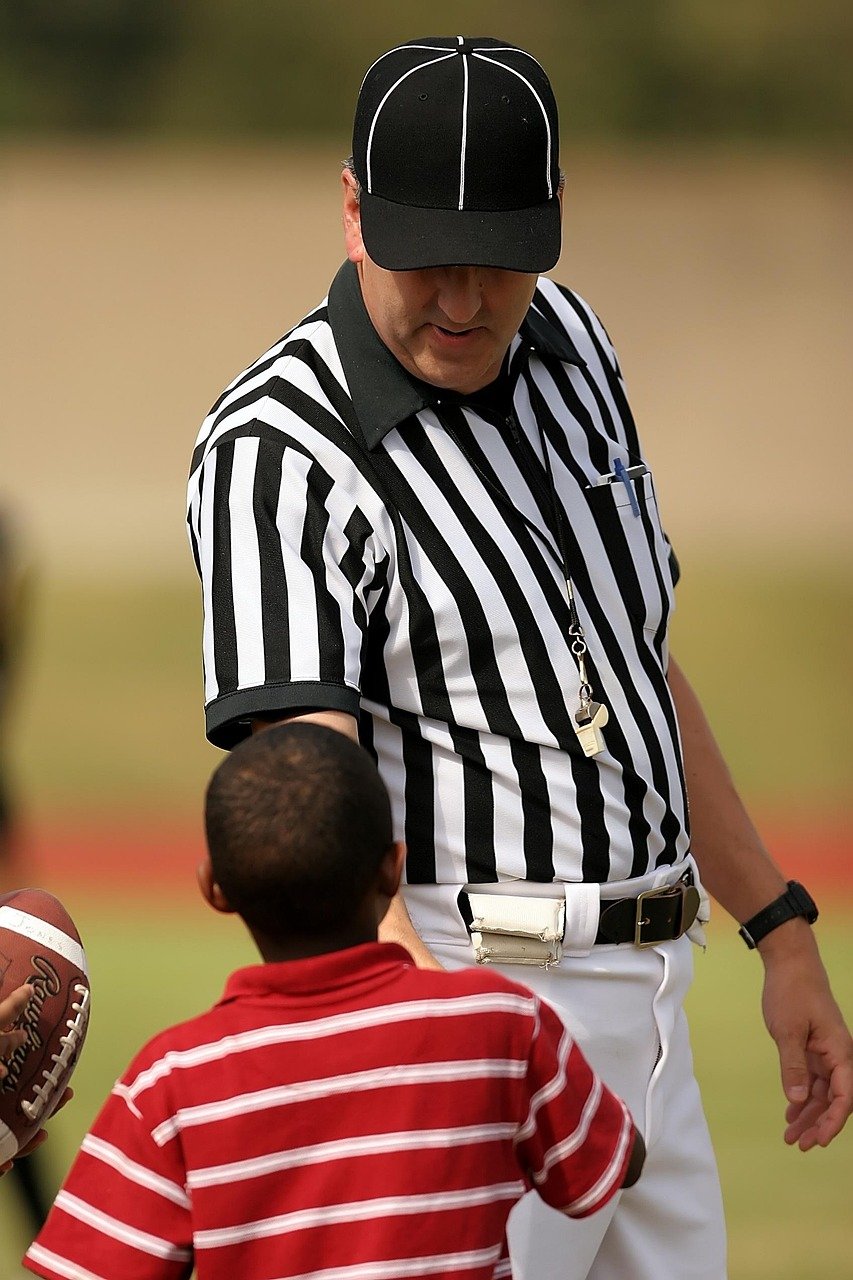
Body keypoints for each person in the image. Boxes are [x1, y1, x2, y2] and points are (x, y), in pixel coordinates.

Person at [185, 35, 853, 1280]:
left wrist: (779, 926)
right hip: (467, 983)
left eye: (499, 261)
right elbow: (307, 800)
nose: (462, 299)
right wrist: (426, 1038)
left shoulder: (576, 347)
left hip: (655, 999)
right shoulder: (278, 446)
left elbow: (632, 659)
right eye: (426, 256)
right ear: (349, 210)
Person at [23, 722, 643, 1280]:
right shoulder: (503, 1026)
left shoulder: (168, 1081)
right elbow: (617, 1161)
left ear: (214, 888)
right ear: (392, 869)